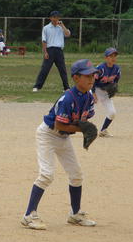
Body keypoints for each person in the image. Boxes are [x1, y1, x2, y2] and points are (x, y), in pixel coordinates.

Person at [21, 59, 99, 230]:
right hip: (48, 134)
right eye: (87, 75)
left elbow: (81, 119)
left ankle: (75, 214)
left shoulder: (89, 97)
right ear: (76, 78)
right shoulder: (67, 99)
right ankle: (28, 215)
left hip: (63, 138)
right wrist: (82, 129)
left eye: (93, 75)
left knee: (76, 174)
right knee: (47, 174)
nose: (91, 78)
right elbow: (60, 125)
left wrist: (82, 126)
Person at [32, 11, 71, 92]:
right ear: (50, 18)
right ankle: (37, 87)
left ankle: (66, 87)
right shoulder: (46, 28)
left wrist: (62, 25)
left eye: (57, 17)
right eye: (54, 17)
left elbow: (67, 34)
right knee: (45, 69)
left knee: (62, 69)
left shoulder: (61, 27)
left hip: (59, 50)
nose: (55, 19)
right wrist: (45, 52)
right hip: (50, 50)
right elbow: (44, 41)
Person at [92, 47, 121, 137]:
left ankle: (103, 131)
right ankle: (65, 126)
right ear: (106, 58)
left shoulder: (117, 69)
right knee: (82, 109)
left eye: (114, 56)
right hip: (95, 90)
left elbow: (116, 81)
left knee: (112, 113)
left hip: (104, 93)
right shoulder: (100, 68)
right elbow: (92, 81)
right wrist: (93, 94)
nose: (113, 58)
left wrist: (113, 88)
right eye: (110, 56)